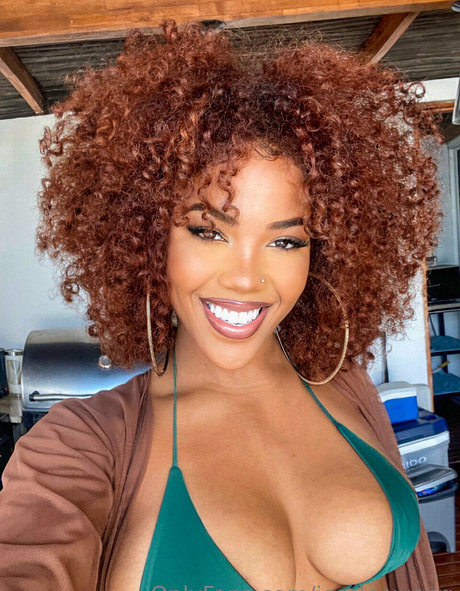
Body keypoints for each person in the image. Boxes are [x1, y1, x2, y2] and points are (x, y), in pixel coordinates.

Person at [0, 18, 444, 591]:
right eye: (208, 231)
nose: (245, 278)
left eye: (286, 241)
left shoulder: (348, 385)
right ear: (146, 236)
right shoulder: (80, 446)